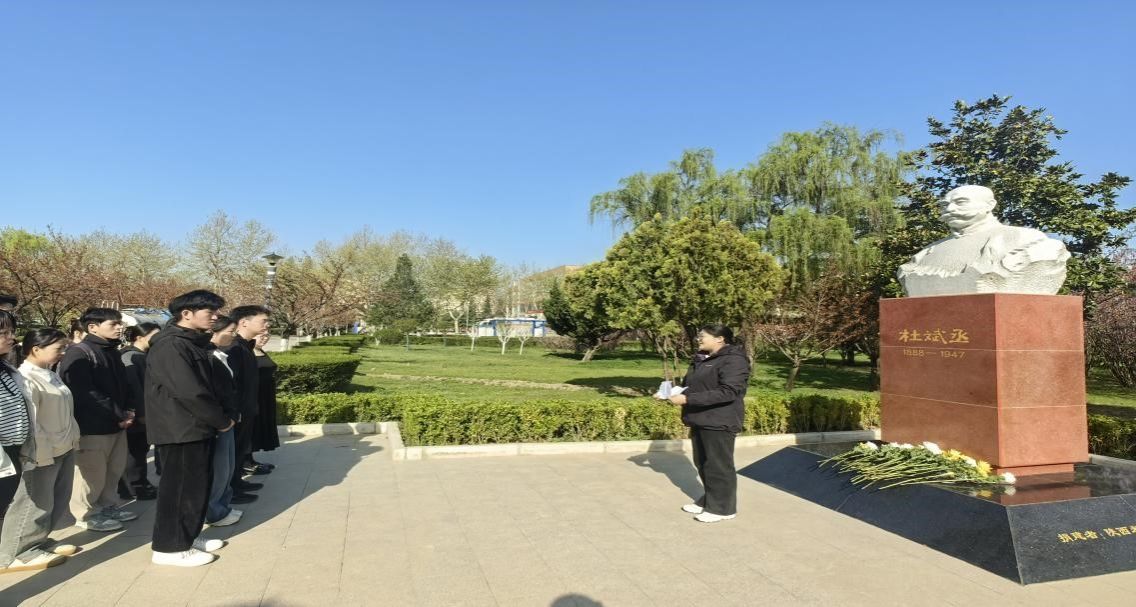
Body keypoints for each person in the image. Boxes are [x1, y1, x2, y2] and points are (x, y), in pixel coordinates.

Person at [145, 290, 231, 567]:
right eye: (210, 312)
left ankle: (187, 537)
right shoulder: (171, 345)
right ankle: (169, 548)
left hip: (195, 427)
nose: (215, 317)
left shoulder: (190, 342)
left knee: (195, 487)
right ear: (186, 314)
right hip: (180, 429)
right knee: (180, 489)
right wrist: (221, 420)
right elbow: (189, 391)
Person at [0, 329, 81, 572]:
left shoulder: (49, 373)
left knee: (54, 499)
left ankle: (37, 541)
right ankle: (16, 552)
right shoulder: (25, 376)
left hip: (62, 446)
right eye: (58, 348)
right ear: (36, 349)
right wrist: (40, 453)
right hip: (43, 451)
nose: (63, 352)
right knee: (33, 502)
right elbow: (32, 421)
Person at [897, 184, 1071, 296]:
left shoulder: (1026, 240)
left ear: (990, 205)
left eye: (960, 202)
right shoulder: (927, 252)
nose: (949, 209)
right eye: (944, 205)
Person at [57, 308, 136, 532]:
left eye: (120, 323)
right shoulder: (79, 353)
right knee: (91, 474)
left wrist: (129, 410)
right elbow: (85, 392)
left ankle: (108, 506)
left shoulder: (111, 351)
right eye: (113, 324)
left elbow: (125, 385)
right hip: (92, 427)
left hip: (116, 425)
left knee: (113, 470)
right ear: (92, 327)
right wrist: (118, 414)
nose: (119, 328)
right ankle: (86, 514)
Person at [666, 324, 750, 523]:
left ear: (720, 338)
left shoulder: (734, 360)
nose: (699, 339)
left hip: (720, 420)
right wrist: (670, 394)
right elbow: (692, 386)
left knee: (718, 465)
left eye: (703, 336)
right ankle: (710, 500)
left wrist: (688, 400)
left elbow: (729, 391)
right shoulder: (702, 359)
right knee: (703, 463)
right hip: (700, 418)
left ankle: (723, 509)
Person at [204, 315, 246, 529]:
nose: (233, 335)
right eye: (230, 331)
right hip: (218, 421)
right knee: (219, 469)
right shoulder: (208, 357)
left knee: (227, 466)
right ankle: (214, 511)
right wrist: (222, 420)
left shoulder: (221, 355)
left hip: (228, 419)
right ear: (214, 332)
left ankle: (223, 506)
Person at [225, 306, 271, 488]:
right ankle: (233, 487)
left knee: (241, 448)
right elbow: (232, 383)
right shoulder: (234, 348)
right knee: (235, 449)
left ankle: (237, 482)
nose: (267, 325)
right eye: (263, 320)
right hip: (239, 411)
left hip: (248, 408)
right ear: (244, 322)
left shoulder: (246, 346)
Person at [117, 323, 160, 501]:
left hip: (146, 413)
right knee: (134, 452)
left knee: (141, 450)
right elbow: (134, 389)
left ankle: (140, 483)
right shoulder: (130, 357)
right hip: (136, 415)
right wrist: (141, 413)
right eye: (154, 335)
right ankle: (134, 487)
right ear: (140, 337)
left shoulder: (144, 355)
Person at [0, 311, 31, 524]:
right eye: (4, 332)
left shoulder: (7, 369)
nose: (11, 337)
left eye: (12, 331)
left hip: (12, 450)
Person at [250, 332, 280, 461]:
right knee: (252, 427)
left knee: (261, 425)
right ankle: (246, 461)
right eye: (261, 336)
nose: (264, 338)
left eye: (267, 336)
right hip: (254, 396)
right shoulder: (246, 353)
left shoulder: (260, 351)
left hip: (266, 396)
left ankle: (251, 459)